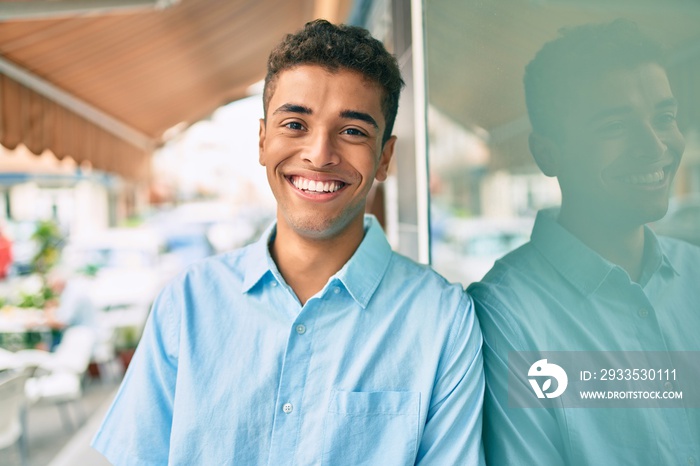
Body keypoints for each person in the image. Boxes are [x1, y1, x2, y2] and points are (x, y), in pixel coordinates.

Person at [92, 20, 484, 465]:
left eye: (353, 130)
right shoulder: (187, 304)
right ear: (263, 140)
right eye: (295, 124)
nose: (319, 154)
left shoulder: (444, 320)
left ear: (385, 157)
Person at [468, 19, 700, 465]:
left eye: (664, 118)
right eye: (615, 126)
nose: (654, 147)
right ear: (547, 153)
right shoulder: (507, 315)